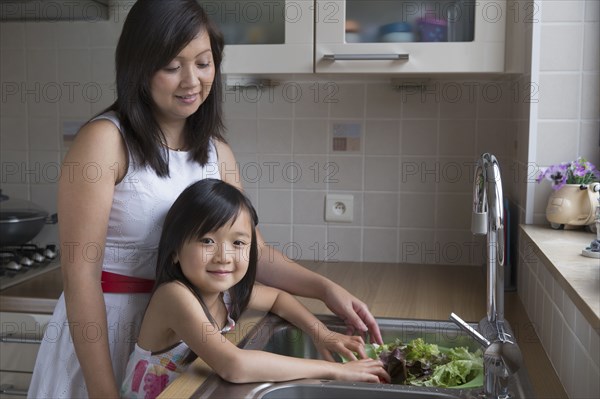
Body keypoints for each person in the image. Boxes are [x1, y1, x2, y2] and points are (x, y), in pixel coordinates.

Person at [28, 0, 382, 397]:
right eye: (171, 66)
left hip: (177, 336)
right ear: (138, 67)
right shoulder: (104, 142)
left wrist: (325, 289)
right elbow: (80, 278)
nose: (191, 81)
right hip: (102, 334)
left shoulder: (216, 152)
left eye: (203, 62)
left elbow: (257, 256)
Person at [120, 179, 390, 399]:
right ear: (175, 251)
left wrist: (323, 334)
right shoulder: (174, 295)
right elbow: (234, 366)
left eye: (238, 243)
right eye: (207, 240)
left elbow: (277, 298)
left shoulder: (226, 295)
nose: (223, 256)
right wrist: (334, 371)